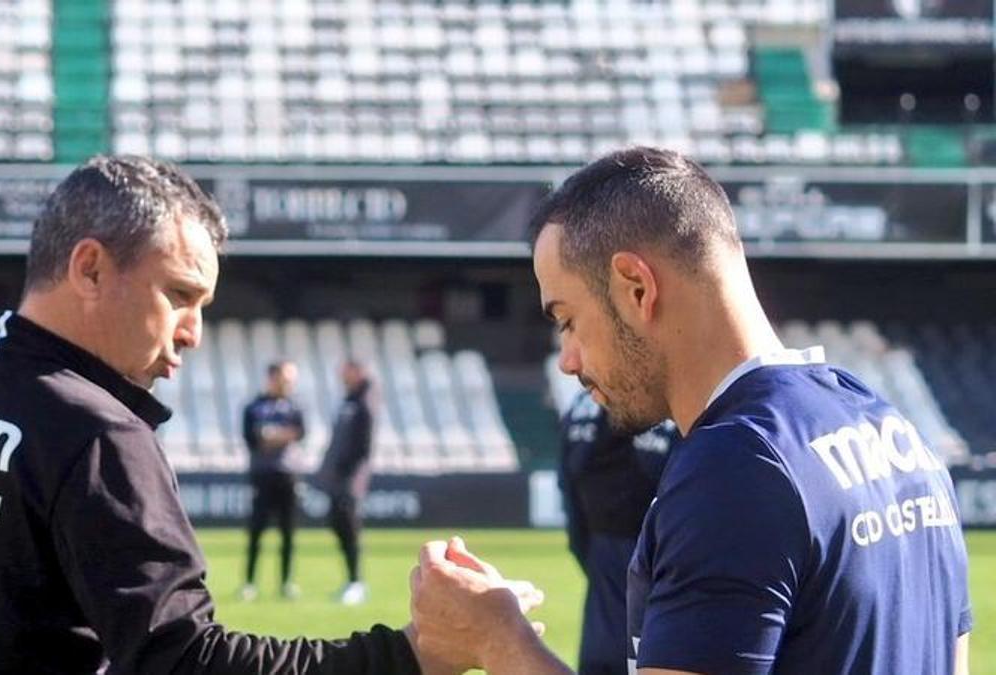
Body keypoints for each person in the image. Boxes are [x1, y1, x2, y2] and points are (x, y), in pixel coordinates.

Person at [0, 155, 430, 674]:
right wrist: (411, 655)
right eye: (179, 295)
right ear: (90, 269)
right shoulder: (96, 437)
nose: (193, 333)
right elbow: (187, 661)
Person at [409, 146, 972, 675]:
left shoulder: (737, 466)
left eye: (568, 320)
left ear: (636, 287)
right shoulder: (889, 427)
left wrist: (500, 640)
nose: (568, 359)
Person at [557, 391, 677, 675]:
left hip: (604, 599)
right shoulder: (668, 400)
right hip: (659, 599)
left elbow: (574, 516)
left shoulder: (581, 407)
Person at [240, 360, 305, 600]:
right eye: (285, 378)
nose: (289, 384)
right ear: (272, 378)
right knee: (256, 531)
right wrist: (281, 436)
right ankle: (249, 582)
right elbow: (251, 438)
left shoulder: (295, 406)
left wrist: (270, 436)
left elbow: (300, 433)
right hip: (262, 476)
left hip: (288, 475)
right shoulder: (253, 406)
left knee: (288, 532)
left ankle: (286, 582)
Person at [316, 359, 376, 605]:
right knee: (338, 527)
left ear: (358, 372)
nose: (342, 375)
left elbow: (363, 447)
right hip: (337, 478)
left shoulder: (365, 402)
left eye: (346, 371)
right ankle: (352, 581)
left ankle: (357, 582)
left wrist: (349, 475)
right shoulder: (348, 401)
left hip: (349, 480)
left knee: (350, 529)